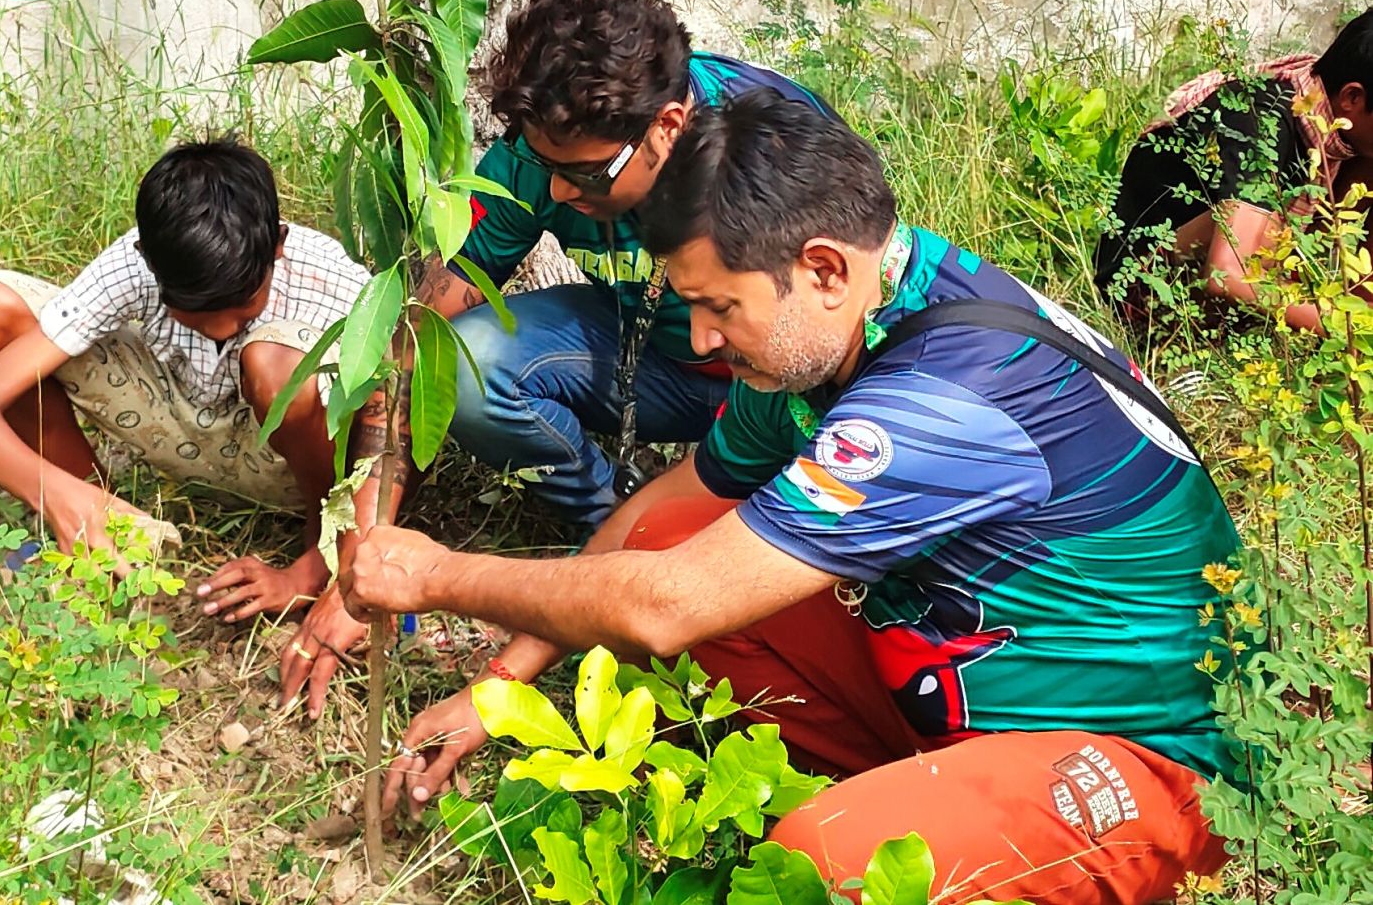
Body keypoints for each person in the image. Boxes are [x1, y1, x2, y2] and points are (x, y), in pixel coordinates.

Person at [340, 91, 1241, 905]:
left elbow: (666, 606)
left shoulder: (938, 398)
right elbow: (660, 523)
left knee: (818, 865)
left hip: (1138, 761)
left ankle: (999, 844)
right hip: (977, 684)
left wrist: (436, 575)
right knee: (672, 536)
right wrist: (494, 689)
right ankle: (925, 800)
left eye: (718, 307)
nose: (698, 337)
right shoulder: (852, 319)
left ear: (822, 270)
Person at [276, 0, 839, 719]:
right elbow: (417, 336)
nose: (564, 195)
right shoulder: (539, 160)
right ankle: (613, 521)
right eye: (549, 171)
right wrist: (361, 552)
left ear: (667, 128)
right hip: (659, 362)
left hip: (777, 379)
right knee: (473, 362)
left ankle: (662, 539)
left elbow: (830, 329)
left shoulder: (769, 150)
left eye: (584, 174)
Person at [0, 137, 367, 615]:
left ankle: (319, 549)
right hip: (181, 424)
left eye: (244, 306)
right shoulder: (141, 262)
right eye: (195, 312)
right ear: (146, 257)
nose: (224, 329)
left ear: (279, 245)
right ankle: (102, 533)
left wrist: (315, 568)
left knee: (275, 362)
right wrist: (58, 494)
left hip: (286, 463)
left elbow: (391, 434)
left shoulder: (335, 283)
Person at [1095, 7, 1373, 335]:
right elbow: (1227, 276)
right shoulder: (1263, 119)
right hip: (1138, 287)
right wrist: (1356, 328)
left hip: (1235, 278)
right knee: (1257, 223)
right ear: (1351, 97)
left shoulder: (1340, 135)